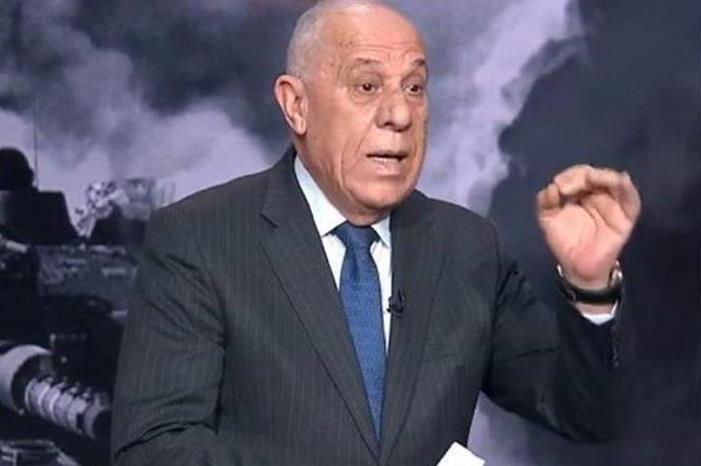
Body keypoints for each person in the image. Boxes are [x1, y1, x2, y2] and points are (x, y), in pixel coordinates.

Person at [111, 1, 641, 465]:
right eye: (367, 87)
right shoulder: (200, 238)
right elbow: (154, 449)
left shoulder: (468, 247)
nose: (399, 114)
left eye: (415, 88)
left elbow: (588, 414)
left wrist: (591, 285)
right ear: (297, 104)